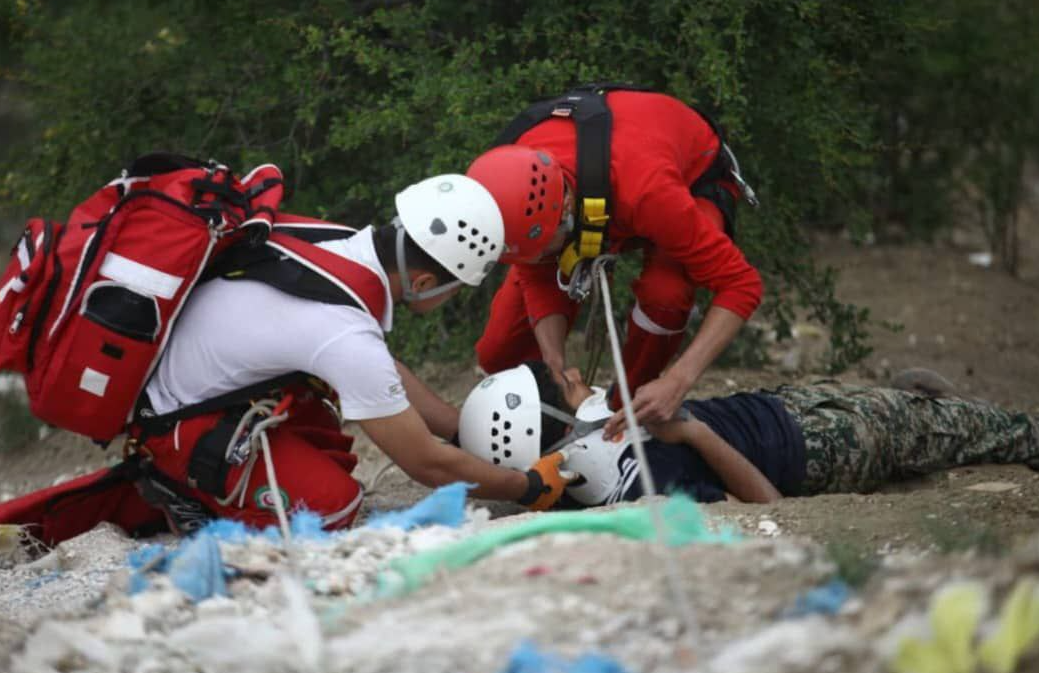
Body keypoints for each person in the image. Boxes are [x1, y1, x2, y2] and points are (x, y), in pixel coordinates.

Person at [0, 174, 572, 547]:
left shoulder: (335, 241)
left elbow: (381, 374)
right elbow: (428, 466)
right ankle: (181, 492)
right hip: (172, 421)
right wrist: (523, 486)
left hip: (186, 386)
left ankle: (194, 476)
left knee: (329, 445)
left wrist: (455, 424)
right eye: (455, 288)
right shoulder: (343, 331)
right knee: (333, 506)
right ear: (423, 281)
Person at [465, 86, 764, 438]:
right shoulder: (509, 182)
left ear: (563, 211)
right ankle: (544, 424)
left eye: (546, 249)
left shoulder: (648, 193)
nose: (542, 260)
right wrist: (553, 365)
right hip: (604, 184)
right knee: (498, 353)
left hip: (690, 176)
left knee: (664, 295)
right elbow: (535, 272)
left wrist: (677, 380)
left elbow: (742, 285)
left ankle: (625, 410)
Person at [457, 363, 1039, 507]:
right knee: (987, 431)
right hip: (821, 447)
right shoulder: (638, 484)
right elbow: (770, 506)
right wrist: (693, 435)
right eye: (552, 391)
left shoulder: (577, 459)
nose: (568, 381)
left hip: (783, 409)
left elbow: (585, 401)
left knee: (905, 408)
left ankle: (919, 410)